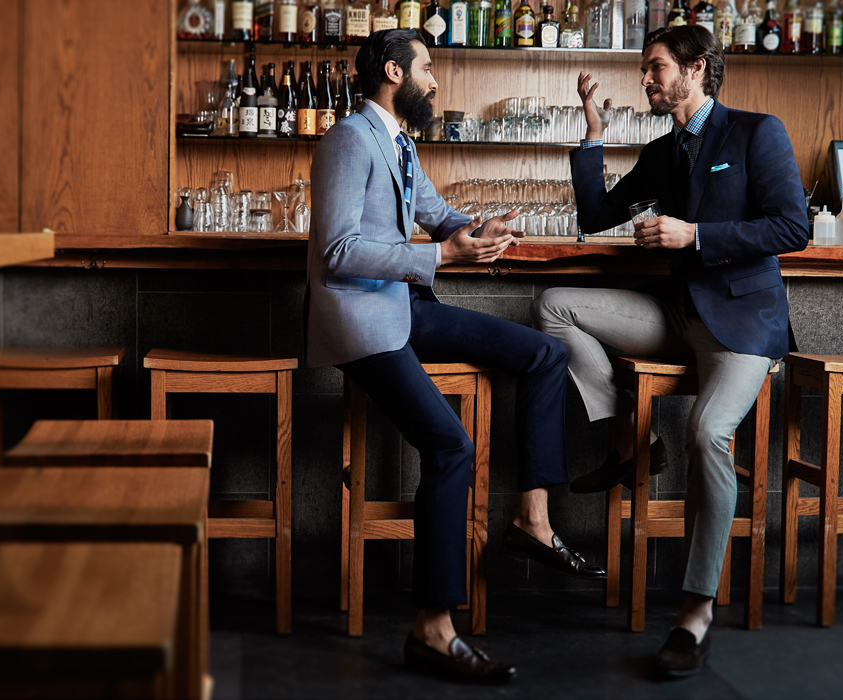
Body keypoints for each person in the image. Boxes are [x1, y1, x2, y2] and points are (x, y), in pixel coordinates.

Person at [305, 28, 605, 684]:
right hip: (365, 324)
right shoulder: (348, 141)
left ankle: (532, 518)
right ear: (394, 72)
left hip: (408, 310)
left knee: (543, 355)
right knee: (453, 448)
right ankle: (433, 632)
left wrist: (477, 229)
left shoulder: (399, 142)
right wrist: (442, 255)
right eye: (429, 68)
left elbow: (436, 213)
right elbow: (335, 251)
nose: (436, 80)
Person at [531, 25, 808, 678]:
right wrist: (592, 128)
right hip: (677, 316)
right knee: (551, 306)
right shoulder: (663, 151)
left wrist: (696, 235)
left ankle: (694, 612)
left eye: (656, 67)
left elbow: (791, 225)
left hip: (741, 320)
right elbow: (597, 216)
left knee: (708, 432)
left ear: (698, 68)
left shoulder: (755, 132)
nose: (647, 79)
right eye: (644, 70)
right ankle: (630, 440)